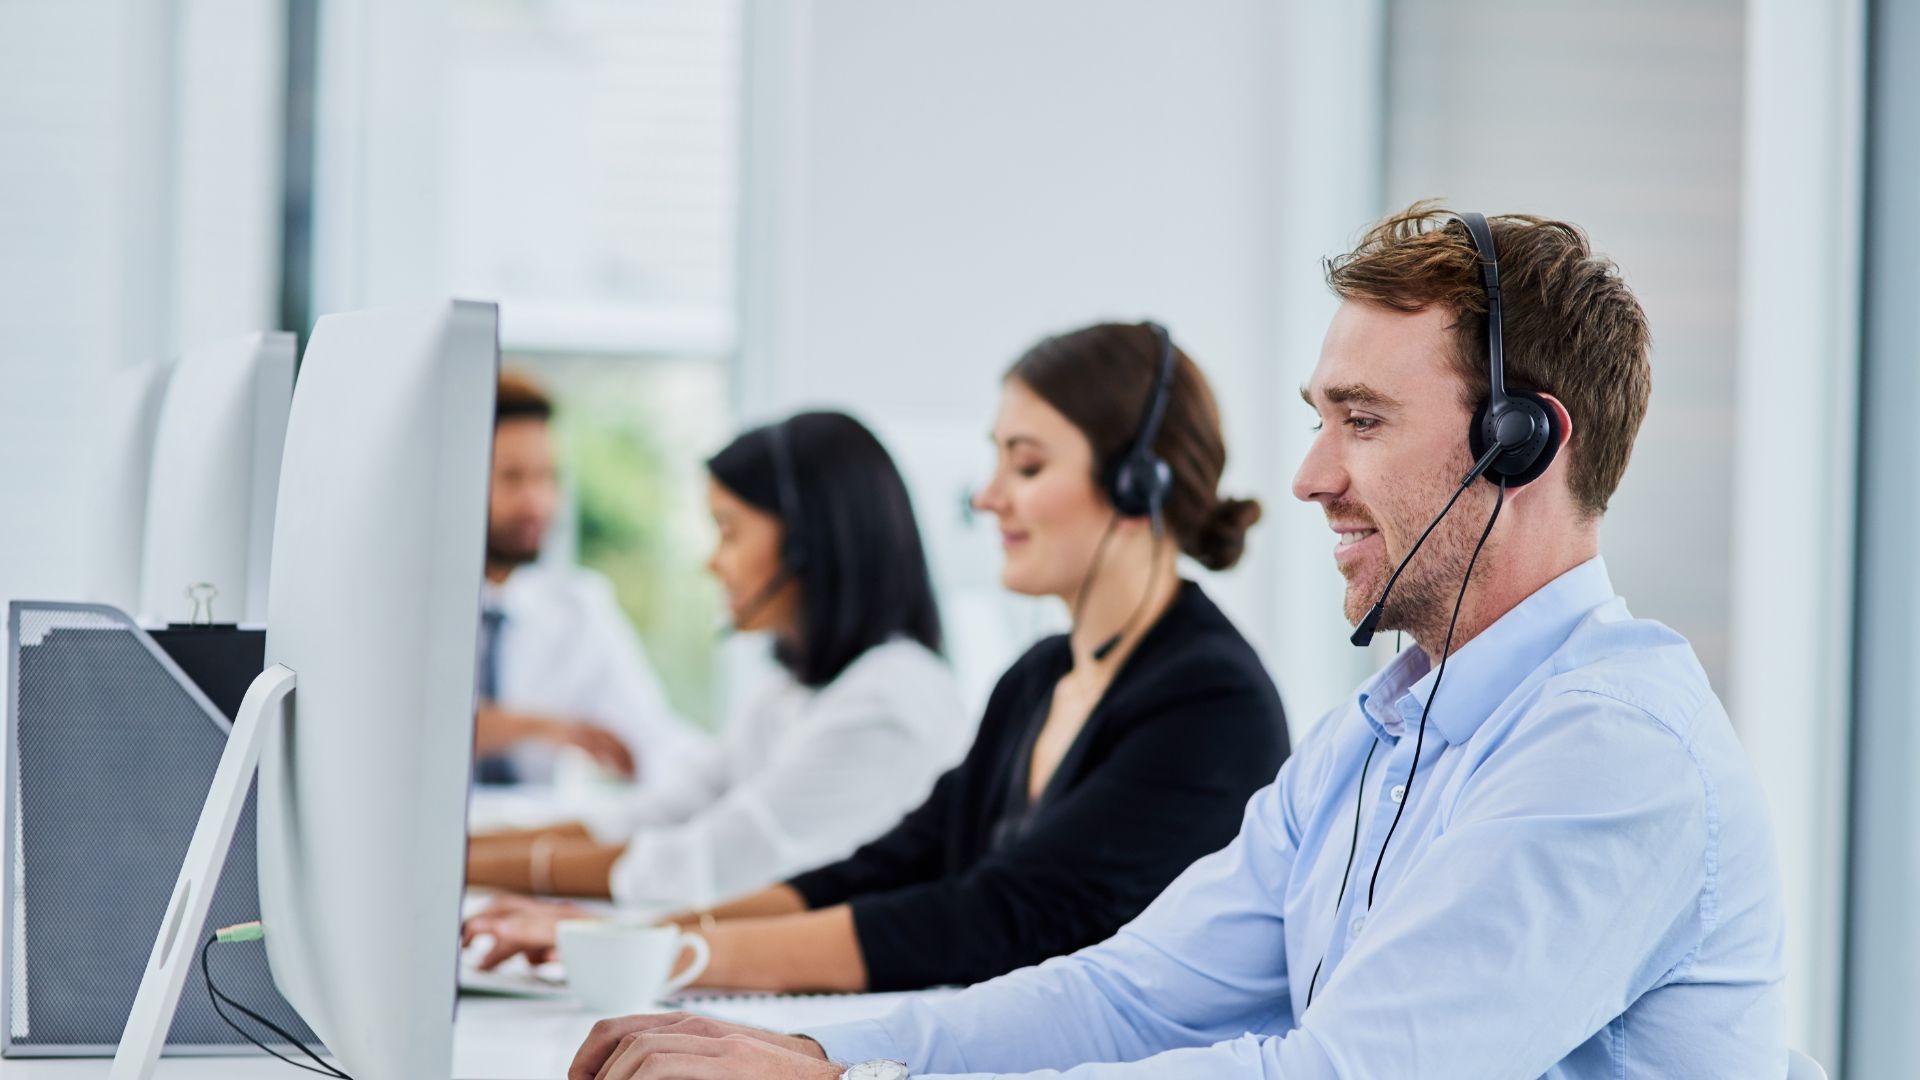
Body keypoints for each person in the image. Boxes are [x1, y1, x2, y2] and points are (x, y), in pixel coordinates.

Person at [565, 207, 1788, 1080]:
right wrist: (815, 1047)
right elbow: (1126, 991)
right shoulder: (1380, 737)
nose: (1311, 478)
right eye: (1319, 422)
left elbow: (1341, 1075)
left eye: (1361, 422)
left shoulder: (1609, 753)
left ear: (1524, 444)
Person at [466, 321, 1290, 996]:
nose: (986, 495)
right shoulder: (1041, 676)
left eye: (1027, 463)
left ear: (1137, 486)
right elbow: (892, 865)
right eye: (997, 457)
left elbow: (992, 918)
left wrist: (666, 956)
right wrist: (632, 941)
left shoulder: (1208, 700)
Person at [466, 410, 969, 911]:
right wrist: (462, 853)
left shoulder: (890, 699)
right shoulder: (791, 690)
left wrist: (467, 869)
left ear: (806, 543)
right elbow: (662, 811)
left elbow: (704, 863)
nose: (712, 561)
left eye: (728, 532)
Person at [472, 370, 708, 786]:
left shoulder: (579, 606)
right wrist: (540, 728)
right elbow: (398, 731)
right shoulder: (403, 607)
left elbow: (652, 736)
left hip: (528, 838)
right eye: (512, 478)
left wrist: (734, 777)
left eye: (548, 477)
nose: (537, 502)